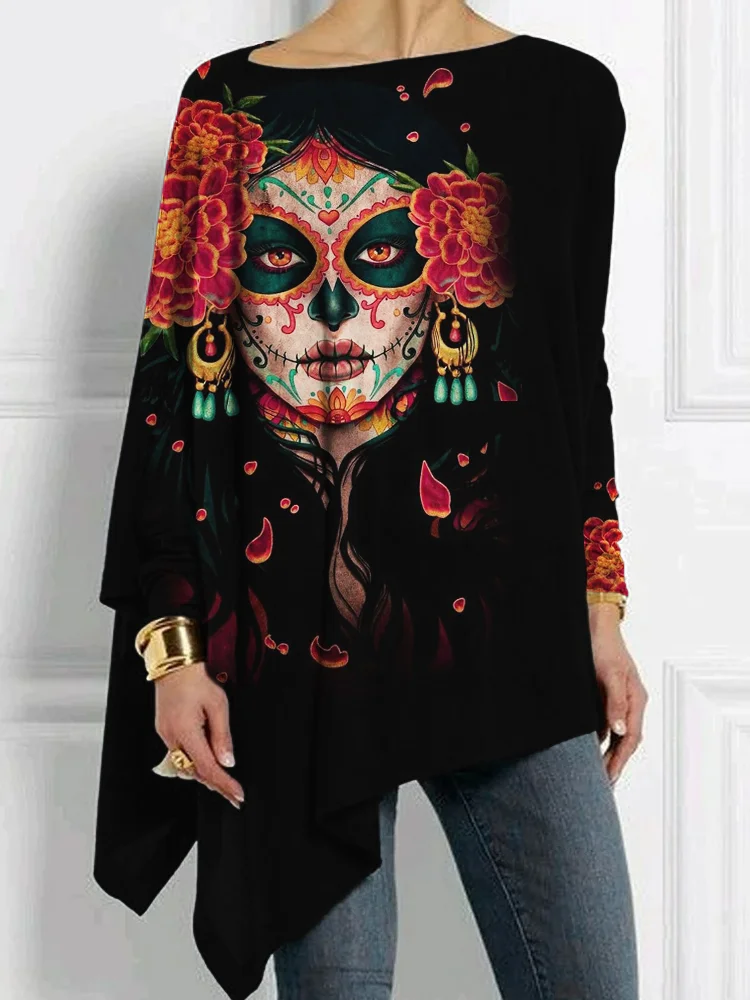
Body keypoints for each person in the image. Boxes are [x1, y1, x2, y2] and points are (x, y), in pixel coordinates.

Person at [94, 2, 649, 998]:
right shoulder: (228, 102)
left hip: (513, 636)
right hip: (292, 653)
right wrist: (173, 651)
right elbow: (172, 391)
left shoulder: (570, 96)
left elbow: (576, 364)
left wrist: (600, 606)